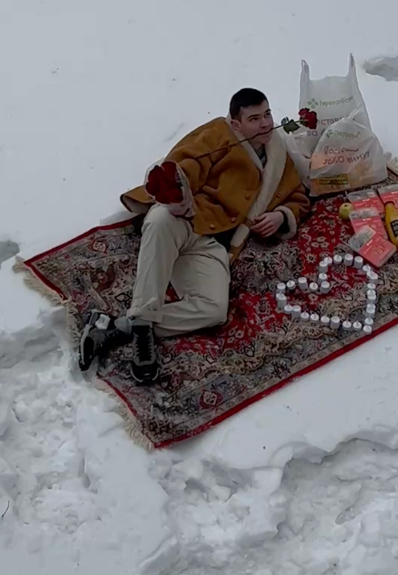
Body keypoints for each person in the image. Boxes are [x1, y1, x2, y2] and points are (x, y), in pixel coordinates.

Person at [79, 88, 310, 384]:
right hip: (185, 221)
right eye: (254, 119)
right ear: (235, 123)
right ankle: (143, 327)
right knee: (161, 216)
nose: (265, 124)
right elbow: (185, 166)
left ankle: (120, 326)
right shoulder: (216, 135)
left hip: (215, 246)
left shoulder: (278, 155)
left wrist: (282, 215)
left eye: (267, 115)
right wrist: (177, 191)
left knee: (214, 310)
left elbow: (298, 199)